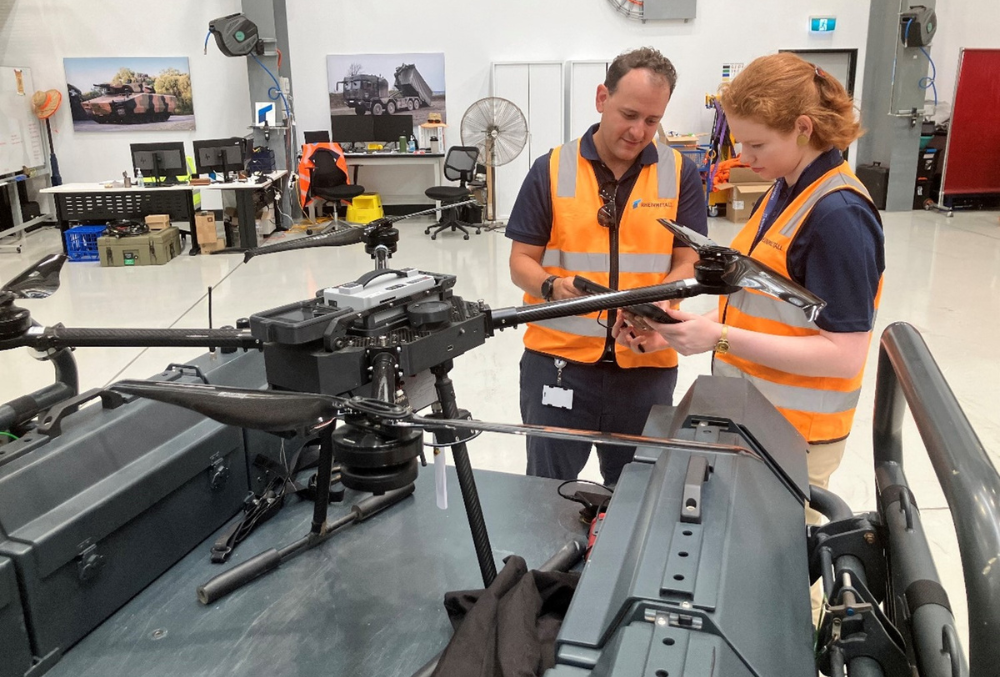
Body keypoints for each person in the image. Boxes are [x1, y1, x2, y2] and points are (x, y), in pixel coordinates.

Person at [612, 52, 885, 523]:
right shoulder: (786, 188)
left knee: (778, 579)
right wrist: (686, 327)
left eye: (756, 145)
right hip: (756, 422)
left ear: (803, 127)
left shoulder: (839, 217)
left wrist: (718, 339)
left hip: (796, 436)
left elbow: (845, 354)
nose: (744, 158)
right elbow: (762, 300)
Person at [505, 47, 708, 486]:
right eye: (629, 114)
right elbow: (521, 261)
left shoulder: (680, 175)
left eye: (652, 121)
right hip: (557, 364)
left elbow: (687, 262)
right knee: (546, 494)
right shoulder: (551, 170)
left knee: (636, 498)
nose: (638, 132)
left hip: (644, 366)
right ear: (602, 98)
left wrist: (654, 305)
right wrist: (550, 286)